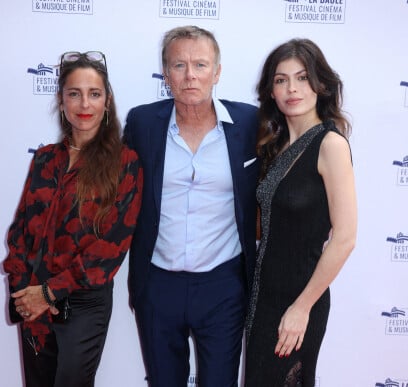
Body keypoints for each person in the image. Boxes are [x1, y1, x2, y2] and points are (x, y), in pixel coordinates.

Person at [123, 25, 259, 387]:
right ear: (165, 74)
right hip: (158, 282)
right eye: (179, 65)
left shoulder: (249, 123)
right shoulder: (142, 123)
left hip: (223, 285)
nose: (190, 75)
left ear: (217, 72)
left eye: (200, 64)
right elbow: (117, 190)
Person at [2, 51, 143, 387]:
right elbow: (20, 230)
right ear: (61, 100)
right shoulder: (45, 159)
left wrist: (50, 293)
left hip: (83, 301)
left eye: (94, 94)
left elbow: (109, 250)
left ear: (107, 101)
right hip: (33, 295)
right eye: (74, 93)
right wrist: (23, 290)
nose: (85, 103)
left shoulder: (125, 163)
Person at [244, 38, 357, 386]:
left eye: (302, 77)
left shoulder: (331, 144)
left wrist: (301, 308)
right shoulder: (276, 147)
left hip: (299, 302)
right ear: (271, 91)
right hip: (264, 299)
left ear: (320, 85)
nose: (292, 88)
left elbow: (345, 238)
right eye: (281, 80)